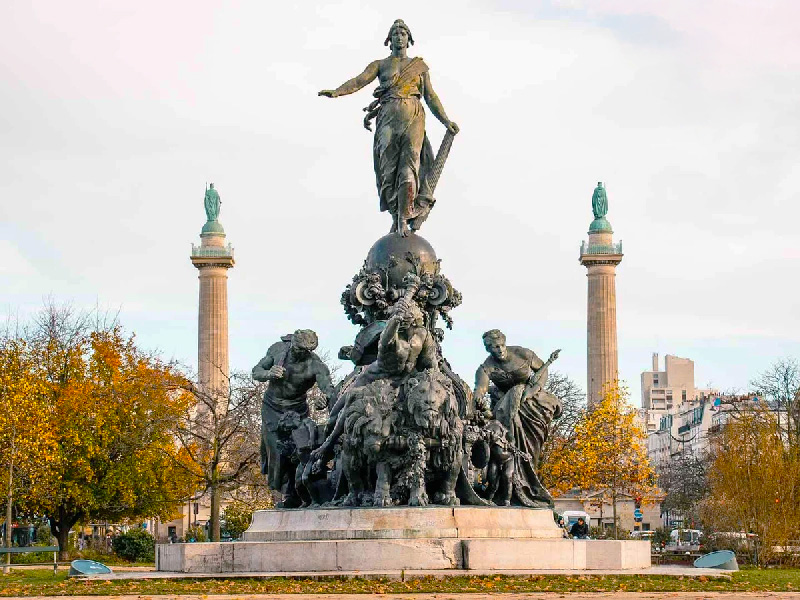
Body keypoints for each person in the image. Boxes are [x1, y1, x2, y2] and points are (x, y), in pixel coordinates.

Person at [319, 19, 459, 236]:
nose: (399, 36)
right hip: (387, 117)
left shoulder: (418, 66)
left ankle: (404, 218)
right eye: (395, 33)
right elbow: (360, 80)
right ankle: (395, 216)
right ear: (389, 39)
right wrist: (337, 92)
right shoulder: (381, 64)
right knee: (388, 171)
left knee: (409, 165)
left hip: (413, 114)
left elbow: (430, 96)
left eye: (403, 33)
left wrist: (446, 120)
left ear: (409, 39)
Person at [472, 329, 563, 507]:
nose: (499, 350)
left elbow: (542, 371)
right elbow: (481, 388)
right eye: (493, 348)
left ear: (505, 343)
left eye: (500, 345)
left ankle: (530, 484)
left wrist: (533, 389)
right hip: (506, 406)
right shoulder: (486, 367)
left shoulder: (523, 353)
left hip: (531, 401)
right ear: (489, 350)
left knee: (531, 448)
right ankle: (510, 489)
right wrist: (477, 398)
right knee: (505, 440)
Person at [252, 329, 335, 507]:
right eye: (297, 348)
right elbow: (256, 371)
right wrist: (269, 373)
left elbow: (328, 388)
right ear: (292, 343)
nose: (299, 353)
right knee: (277, 450)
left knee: (300, 449)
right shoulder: (277, 351)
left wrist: (325, 398)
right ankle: (288, 493)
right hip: (272, 408)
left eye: (304, 351)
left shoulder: (315, 365)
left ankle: (300, 492)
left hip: (298, 410)